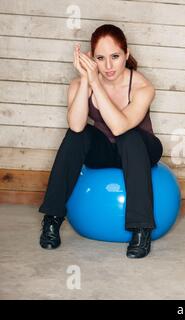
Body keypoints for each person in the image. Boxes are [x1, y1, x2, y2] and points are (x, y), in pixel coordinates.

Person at [38, 24, 163, 259]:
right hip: (106, 149)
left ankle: (141, 229)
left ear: (126, 54)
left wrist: (96, 83)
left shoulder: (142, 86)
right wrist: (86, 80)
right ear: (91, 59)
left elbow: (120, 126)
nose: (108, 66)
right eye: (100, 58)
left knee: (128, 135)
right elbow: (76, 126)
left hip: (141, 148)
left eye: (115, 57)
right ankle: (52, 219)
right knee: (78, 135)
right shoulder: (79, 84)